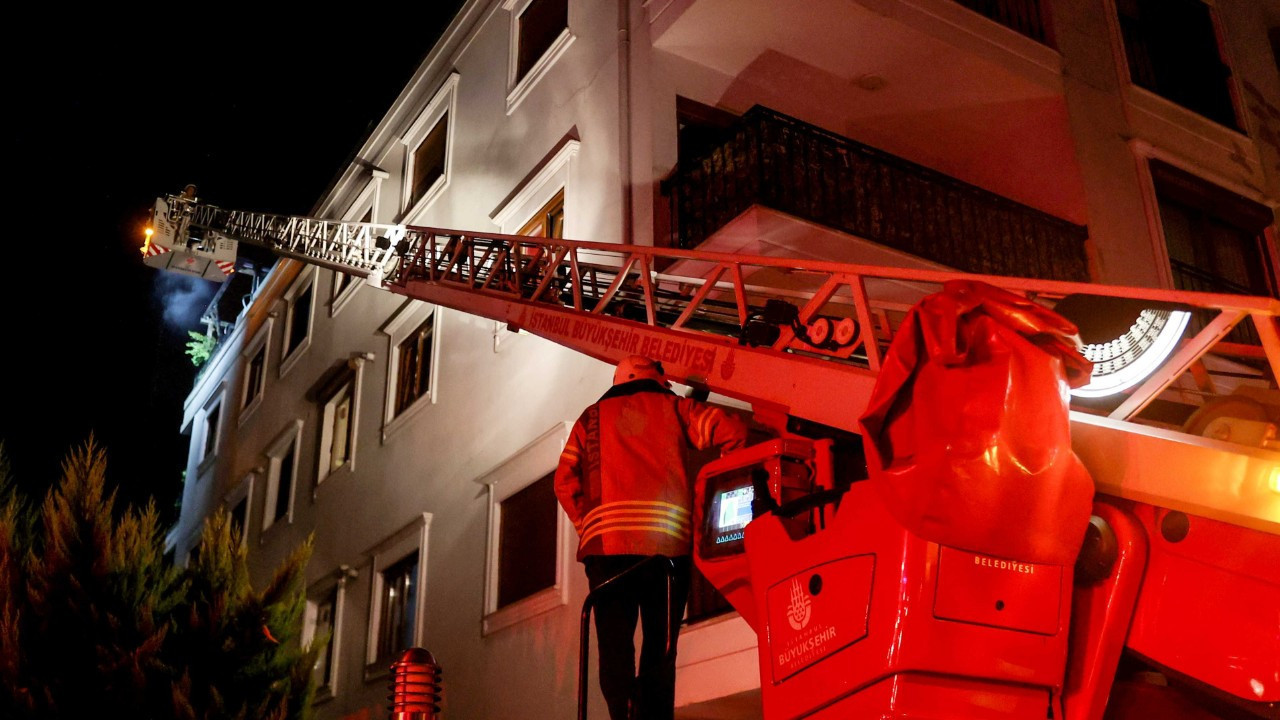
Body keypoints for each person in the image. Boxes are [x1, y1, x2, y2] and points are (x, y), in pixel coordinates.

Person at [554, 355, 748, 720]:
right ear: (658, 379)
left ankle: (623, 713)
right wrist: (719, 488)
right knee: (660, 650)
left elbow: (563, 483)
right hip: (666, 552)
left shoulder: (588, 419)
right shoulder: (672, 406)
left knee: (614, 651)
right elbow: (732, 431)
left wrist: (591, 527)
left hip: (606, 555)